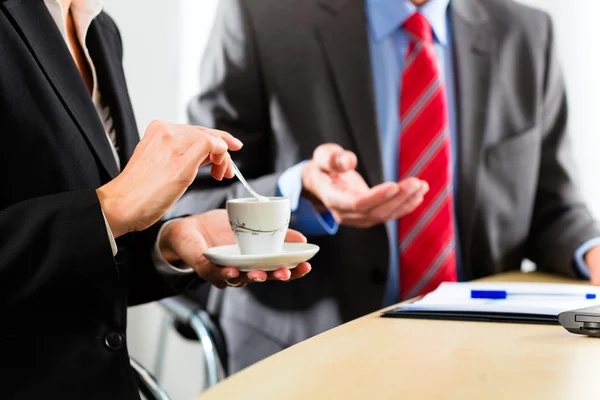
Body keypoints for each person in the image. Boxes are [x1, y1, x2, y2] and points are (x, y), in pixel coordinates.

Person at [178, 0, 600, 373]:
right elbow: (196, 198)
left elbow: (553, 206)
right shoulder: (261, 15)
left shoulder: (526, 33)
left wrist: (592, 250)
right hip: (304, 354)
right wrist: (300, 191)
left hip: (484, 354)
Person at [0, 0, 311, 398]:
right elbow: (101, 211)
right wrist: (110, 209)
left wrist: (167, 245)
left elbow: (84, 261)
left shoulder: (100, 30)